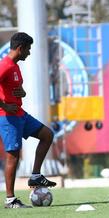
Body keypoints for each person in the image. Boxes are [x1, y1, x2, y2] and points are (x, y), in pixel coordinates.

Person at [0, 32, 57, 209]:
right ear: (20, 48)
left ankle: (35, 175)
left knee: (47, 134)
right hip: (8, 117)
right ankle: (10, 200)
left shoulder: (15, 66)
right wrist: (4, 106)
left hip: (20, 114)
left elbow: (15, 87)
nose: (29, 53)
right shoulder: (5, 65)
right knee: (13, 156)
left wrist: (21, 93)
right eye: (28, 49)